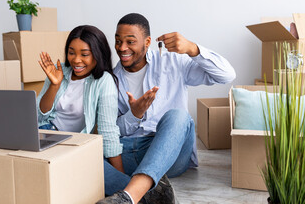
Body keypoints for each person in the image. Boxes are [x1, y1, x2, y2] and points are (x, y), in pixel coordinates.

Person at [97, 13, 236, 204]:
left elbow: (226, 75)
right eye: (118, 41)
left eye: (130, 41)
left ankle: (131, 194)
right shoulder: (109, 79)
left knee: (178, 116)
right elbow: (112, 130)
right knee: (86, 159)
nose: (122, 48)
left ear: (147, 42)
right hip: (130, 152)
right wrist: (134, 115)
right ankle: (146, 195)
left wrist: (192, 49)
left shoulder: (173, 63)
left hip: (171, 155)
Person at [37, 25, 123, 172]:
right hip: (44, 135)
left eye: (84, 54)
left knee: (102, 174)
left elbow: (108, 131)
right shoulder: (59, 71)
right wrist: (54, 85)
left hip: (73, 145)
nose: (76, 60)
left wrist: (119, 172)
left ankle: (132, 191)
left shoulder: (104, 81)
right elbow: (39, 115)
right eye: (71, 53)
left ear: (98, 54)